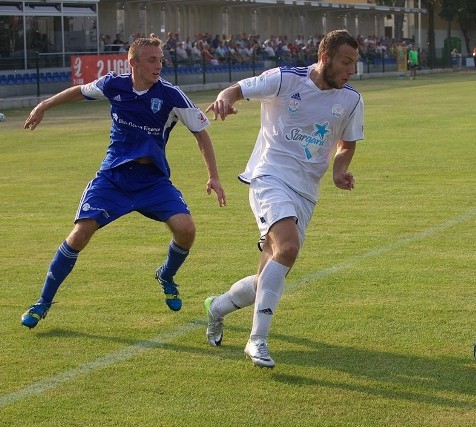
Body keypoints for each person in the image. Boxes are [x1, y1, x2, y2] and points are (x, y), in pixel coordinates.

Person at [20, 37, 226, 329]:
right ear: (134, 63)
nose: (159, 65)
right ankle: (42, 302)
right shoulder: (113, 85)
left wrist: (214, 176)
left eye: (161, 60)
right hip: (113, 178)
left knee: (186, 229)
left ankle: (166, 274)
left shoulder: (172, 95)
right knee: (79, 234)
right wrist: (45, 104)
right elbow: (79, 91)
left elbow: (201, 133)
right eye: (152, 60)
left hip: (152, 181)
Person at [203, 29, 364, 368]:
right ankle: (256, 340)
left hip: (306, 191)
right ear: (325, 58)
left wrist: (339, 170)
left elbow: (347, 143)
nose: (351, 70)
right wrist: (225, 99)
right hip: (269, 176)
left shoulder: (350, 99)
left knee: (267, 277)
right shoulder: (285, 79)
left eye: (355, 63)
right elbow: (238, 89)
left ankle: (217, 307)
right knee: (288, 248)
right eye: (346, 62)